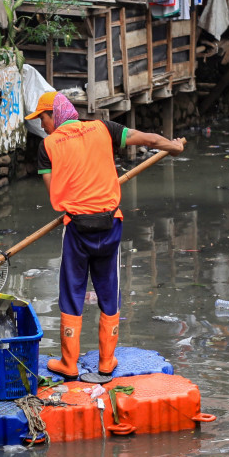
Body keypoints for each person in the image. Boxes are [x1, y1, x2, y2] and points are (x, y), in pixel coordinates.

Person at [26, 92, 183, 381]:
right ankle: (107, 362)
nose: (43, 126)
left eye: (43, 119)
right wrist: (172, 147)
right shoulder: (103, 128)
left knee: (72, 292)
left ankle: (69, 364)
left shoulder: (47, 146)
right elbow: (148, 140)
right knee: (109, 289)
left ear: (54, 114)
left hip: (78, 228)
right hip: (110, 225)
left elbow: (54, 194)